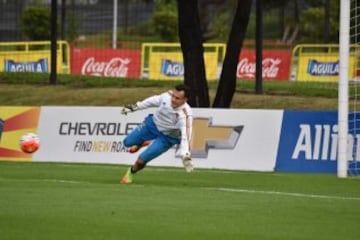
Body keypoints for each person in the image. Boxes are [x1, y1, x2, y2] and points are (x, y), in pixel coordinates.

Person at [120, 84, 194, 184]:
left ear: (185, 100)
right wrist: (135, 107)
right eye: (173, 96)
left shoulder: (186, 115)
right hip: (152, 125)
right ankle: (141, 143)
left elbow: (186, 136)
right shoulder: (166, 97)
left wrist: (185, 154)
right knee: (127, 142)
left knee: (141, 161)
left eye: (177, 98)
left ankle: (131, 172)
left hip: (168, 138)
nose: (173, 99)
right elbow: (152, 101)